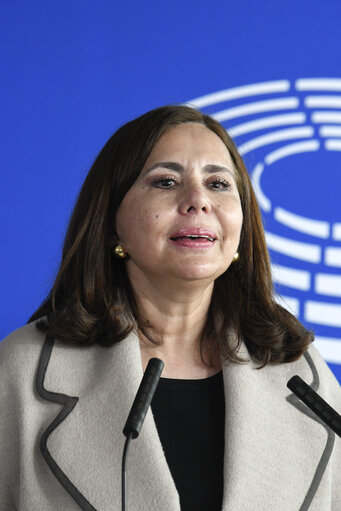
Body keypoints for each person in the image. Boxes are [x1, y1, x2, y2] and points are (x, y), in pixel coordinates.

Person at [0, 105, 340, 511]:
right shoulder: (20, 372)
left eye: (218, 184)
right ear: (111, 222)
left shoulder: (301, 374)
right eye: (166, 181)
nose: (198, 201)